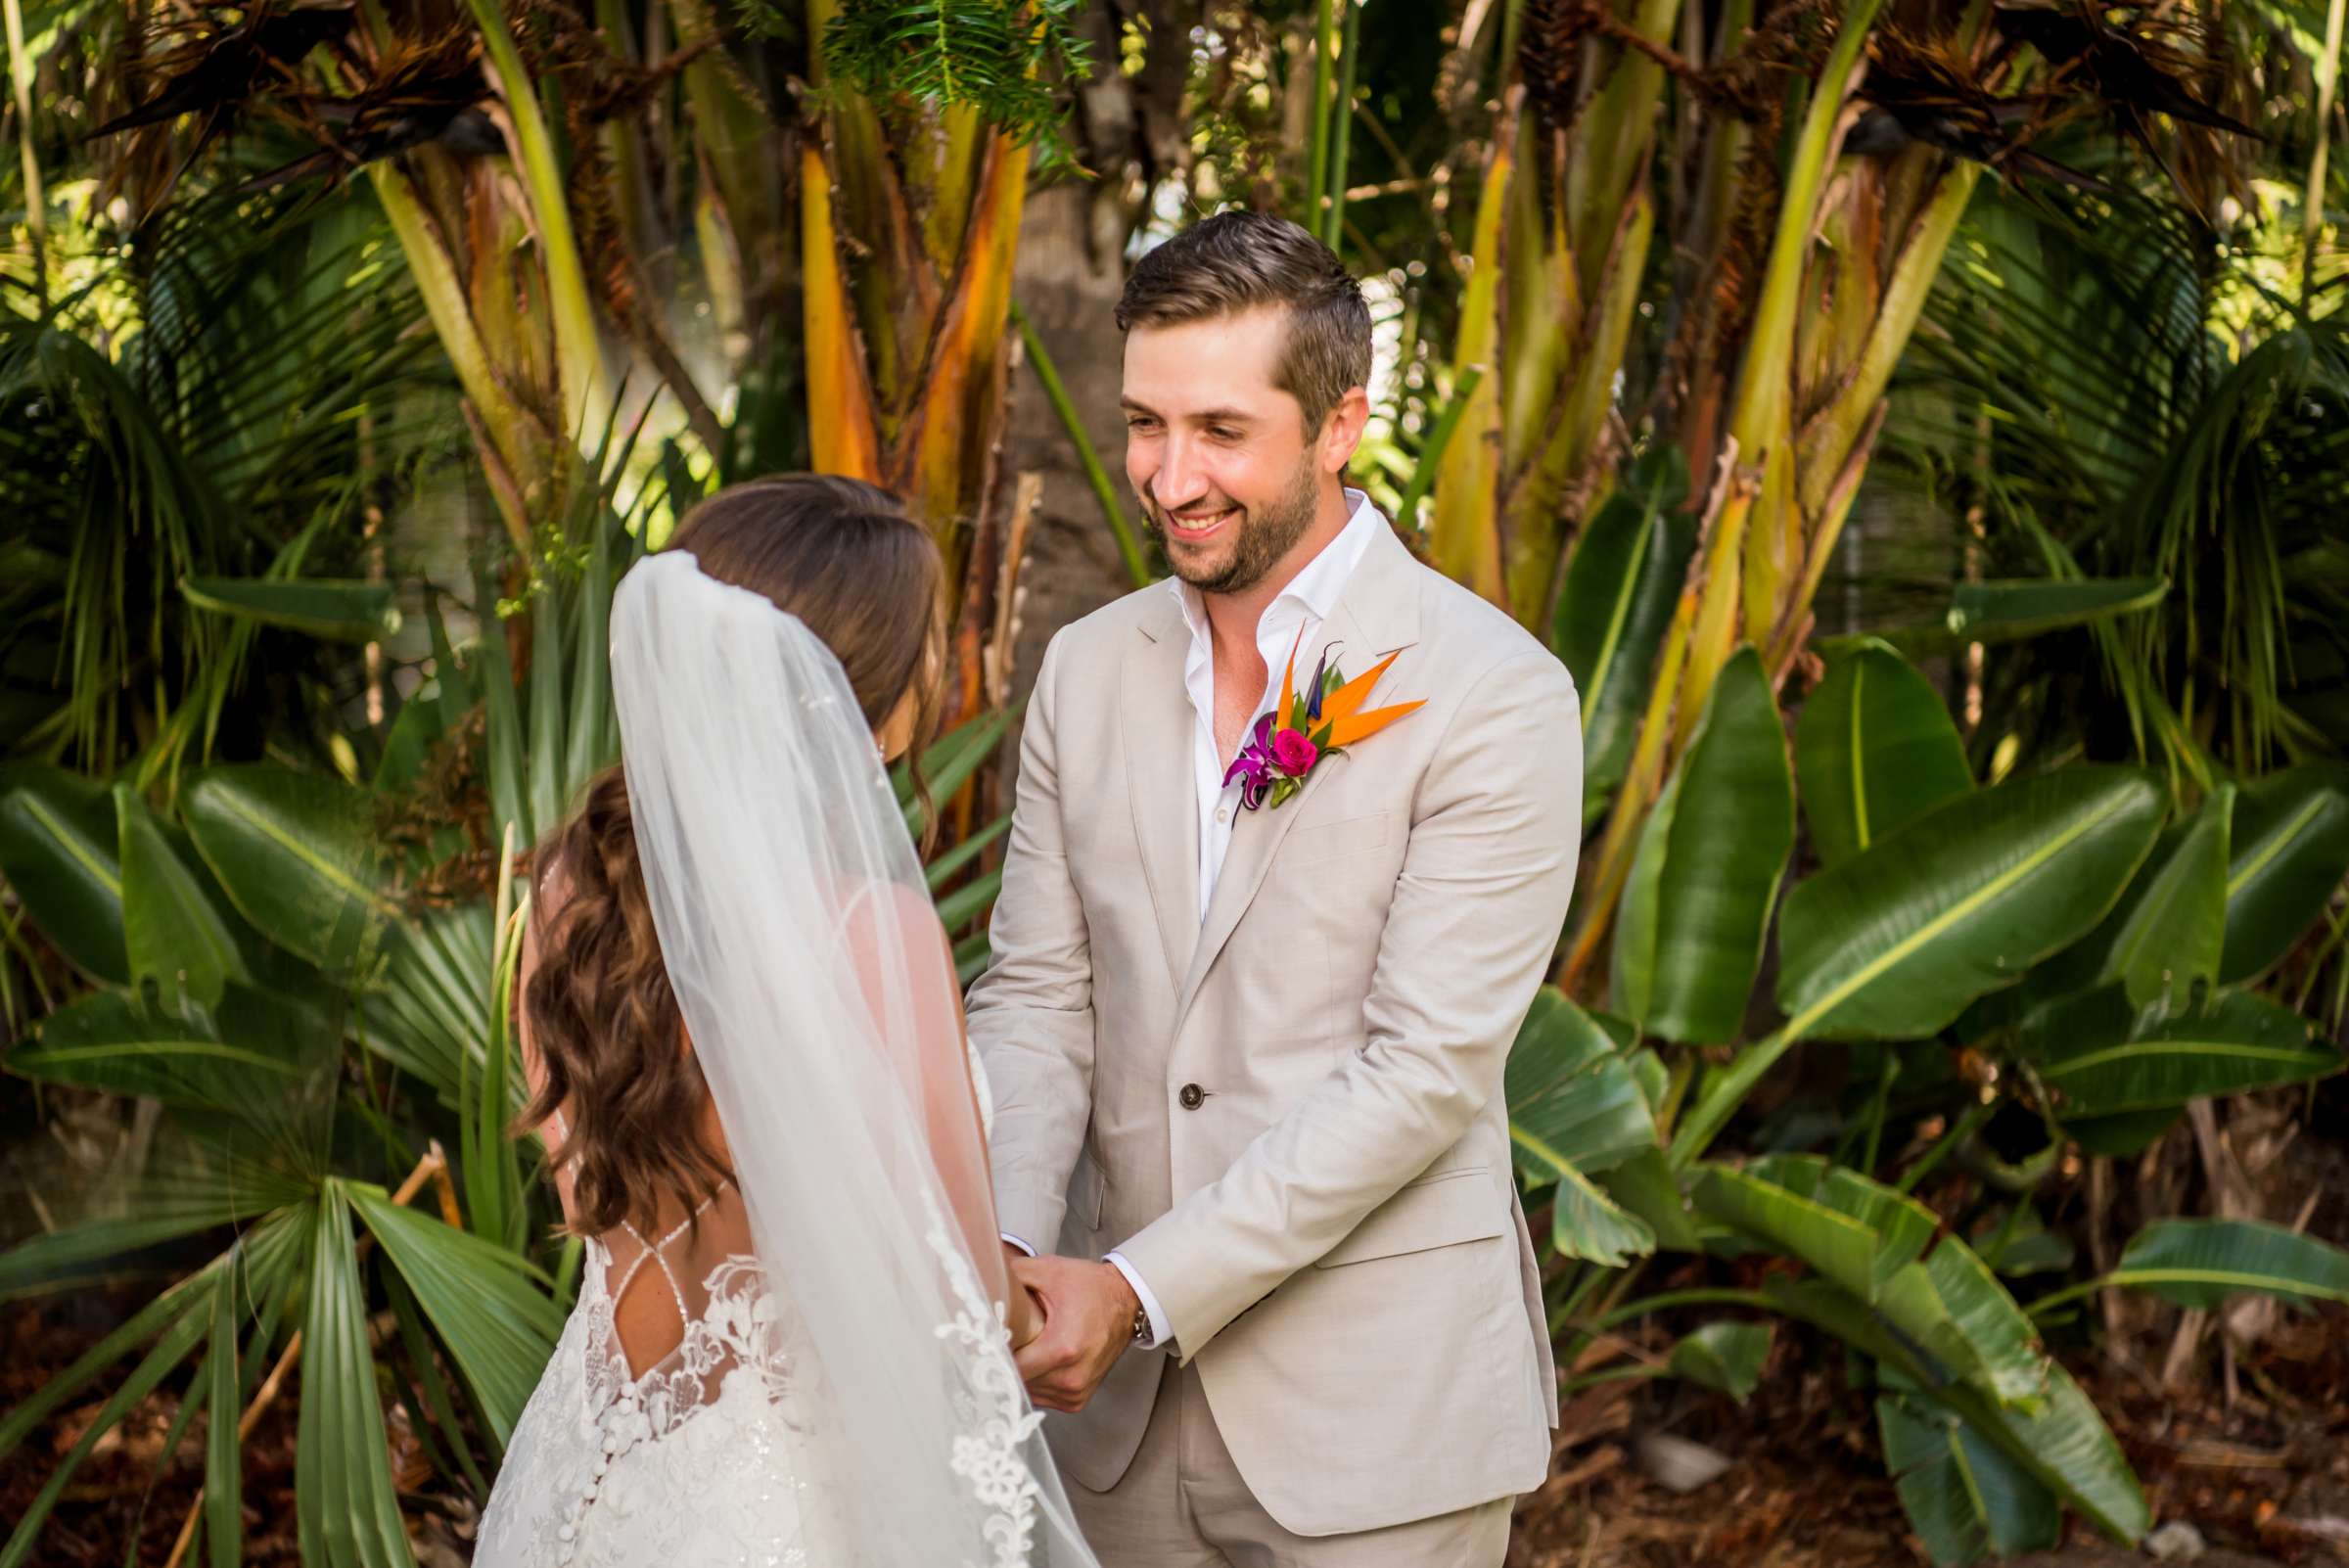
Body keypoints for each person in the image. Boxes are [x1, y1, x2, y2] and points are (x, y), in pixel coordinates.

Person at [971, 211, 1583, 1565]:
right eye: (1143, 423)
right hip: (1103, 1421)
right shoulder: (1084, 666)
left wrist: (1138, 1286)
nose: (1169, 477)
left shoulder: (1495, 694)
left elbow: (1423, 1072)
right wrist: (1007, 1255)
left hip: (1374, 1428)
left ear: (1339, 422)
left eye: (1221, 431)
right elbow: (1038, 992)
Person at [475, 476, 1098, 1568]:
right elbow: (958, 1307)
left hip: (581, 1486)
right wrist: (1071, 1304)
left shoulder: (571, 894)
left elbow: (585, 1192)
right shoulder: (874, 936)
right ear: (862, 696)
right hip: (782, 1516)